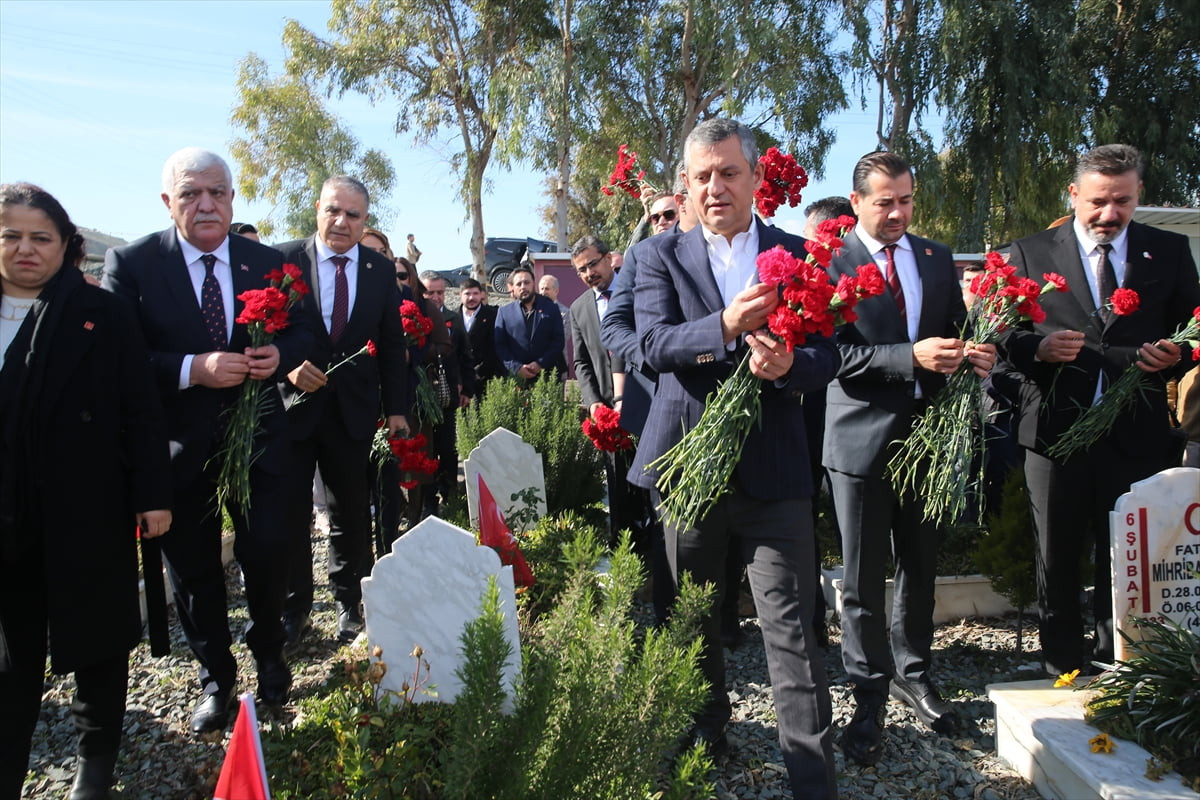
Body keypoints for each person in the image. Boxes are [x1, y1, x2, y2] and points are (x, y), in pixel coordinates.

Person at [629, 118, 839, 799]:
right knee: (691, 617)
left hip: (776, 473)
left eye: (727, 172)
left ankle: (811, 778)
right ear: (685, 186)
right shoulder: (659, 256)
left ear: (755, 177)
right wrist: (725, 327)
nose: (714, 187)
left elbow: (831, 355)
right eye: (700, 177)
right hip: (690, 465)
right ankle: (702, 738)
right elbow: (653, 344)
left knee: (793, 630)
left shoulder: (799, 253)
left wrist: (787, 365)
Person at [103, 148, 312, 734]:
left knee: (270, 550)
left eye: (218, 193)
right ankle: (217, 679)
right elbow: (118, 361)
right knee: (193, 571)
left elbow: (304, 329)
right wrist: (191, 368)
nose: (206, 205)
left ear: (232, 199)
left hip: (262, 440)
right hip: (177, 446)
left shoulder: (264, 260)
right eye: (191, 194)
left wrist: (282, 355)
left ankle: (269, 651)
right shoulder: (134, 264)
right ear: (168, 202)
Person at [1001, 144, 1200, 676]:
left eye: (1123, 201)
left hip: (1136, 434)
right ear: (1073, 194)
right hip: (1053, 431)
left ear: (1138, 196)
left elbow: (1194, 329)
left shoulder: (1170, 251)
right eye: (1098, 202)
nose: (1110, 214)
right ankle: (1062, 663)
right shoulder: (1028, 253)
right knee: (1057, 554)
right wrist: (1037, 350)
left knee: (1129, 555)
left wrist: (1177, 355)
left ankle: (1123, 660)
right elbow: (1001, 338)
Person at [822, 151, 995, 766]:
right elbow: (829, 359)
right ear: (857, 201)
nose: (898, 213)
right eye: (885, 202)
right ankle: (866, 695)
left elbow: (956, 328)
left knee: (919, 567)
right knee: (863, 580)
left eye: (907, 201)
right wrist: (909, 357)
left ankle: (914, 672)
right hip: (861, 445)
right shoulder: (830, 265)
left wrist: (975, 353)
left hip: (930, 441)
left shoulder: (936, 258)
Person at [0, 183, 172, 800]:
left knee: (96, 640)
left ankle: (95, 762)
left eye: (40, 237)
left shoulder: (102, 314)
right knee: (10, 652)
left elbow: (140, 411)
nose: (25, 249)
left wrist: (152, 494)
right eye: (11, 235)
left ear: (64, 245)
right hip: (6, 518)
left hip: (85, 507)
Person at [275, 176, 409, 647]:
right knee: (290, 511)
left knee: (350, 510)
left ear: (365, 220)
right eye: (333, 210)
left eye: (353, 215)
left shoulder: (377, 269)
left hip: (351, 411)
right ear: (317, 209)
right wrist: (286, 367)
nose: (341, 222)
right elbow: (258, 329)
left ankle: (350, 599)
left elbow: (393, 345)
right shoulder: (283, 261)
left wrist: (396, 409)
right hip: (289, 410)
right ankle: (294, 608)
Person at [569, 236, 641, 545]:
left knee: (650, 478)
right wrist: (594, 402)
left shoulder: (638, 290)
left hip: (644, 398)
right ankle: (624, 545)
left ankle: (656, 541)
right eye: (581, 270)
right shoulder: (578, 308)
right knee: (617, 481)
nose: (588, 274)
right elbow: (581, 362)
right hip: (607, 410)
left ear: (609, 258)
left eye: (592, 264)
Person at [420, 271, 472, 516]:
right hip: (419, 397)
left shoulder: (453, 318)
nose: (436, 297)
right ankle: (427, 500)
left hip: (448, 394)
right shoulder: (412, 316)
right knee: (425, 450)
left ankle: (450, 495)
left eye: (440, 292)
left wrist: (466, 389)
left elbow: (464, 358)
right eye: (431, 292)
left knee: (448, 448)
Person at [495, 265, 565, 383]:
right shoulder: (504, 312)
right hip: (515, 379)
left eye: (526, 282)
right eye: (519, 284)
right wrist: (517, 367)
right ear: (513, 288)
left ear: (533, 284)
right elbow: (500, 345)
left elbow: (558, 342)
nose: (523, 287)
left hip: (546, 377)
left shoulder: (551, 308)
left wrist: (539, 364)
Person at [456, 277, 501, 392]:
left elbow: (496, 347)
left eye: (475, 293)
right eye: (467, 294)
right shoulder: (452, 317)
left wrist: (478, 372)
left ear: (482, 294)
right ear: (460, 295)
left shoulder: (493, 316)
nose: (472, 298)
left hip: (485, 378)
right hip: (459, 380)